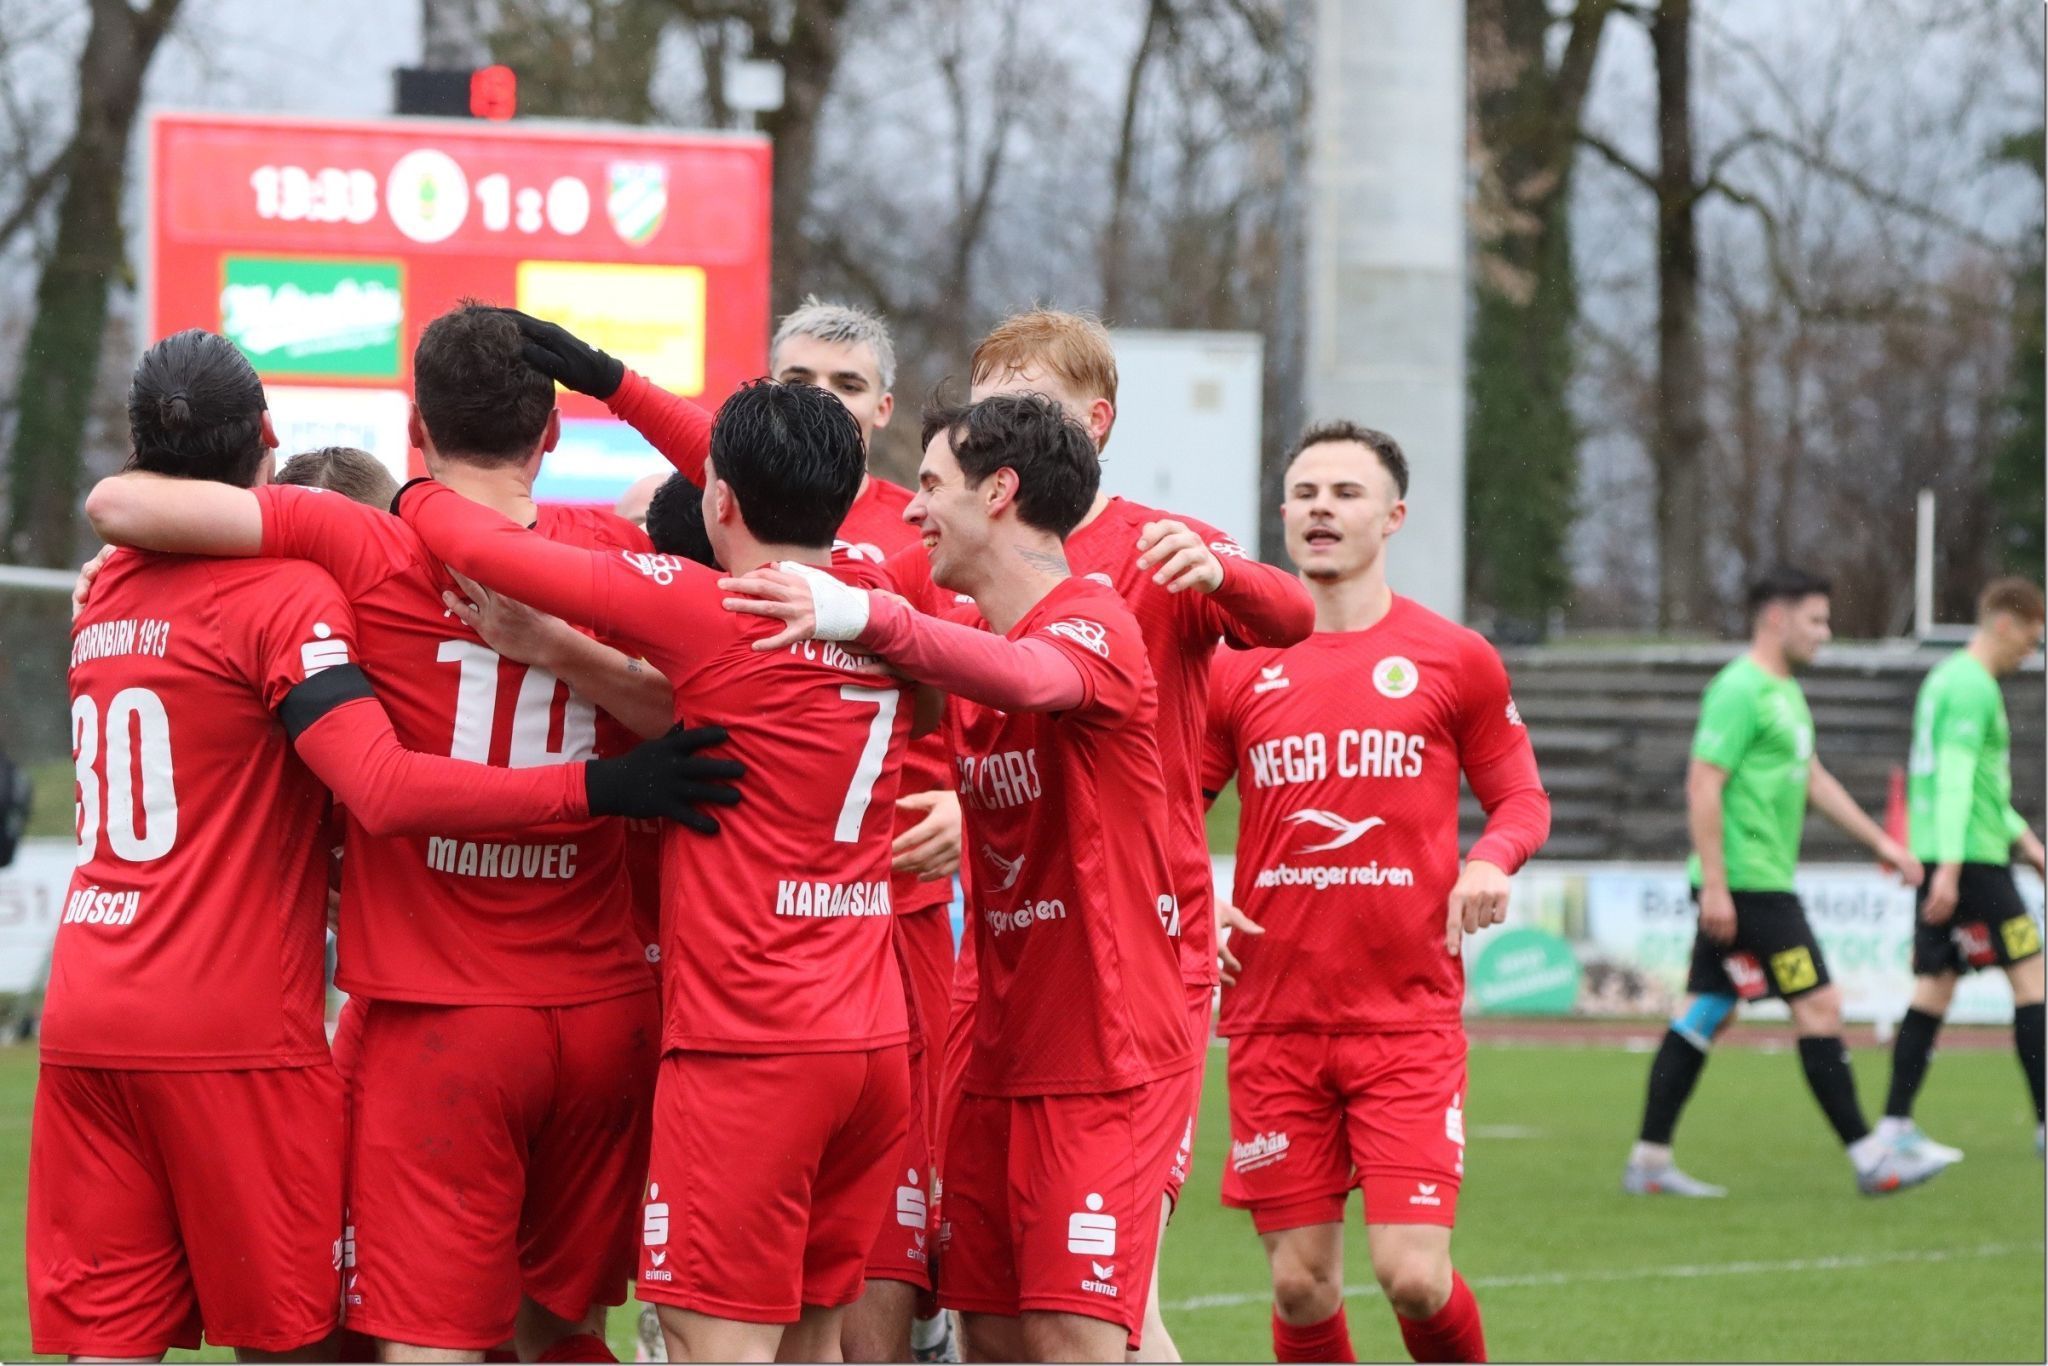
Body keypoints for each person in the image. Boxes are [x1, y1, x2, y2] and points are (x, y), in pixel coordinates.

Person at [36, 331, 729, 1363]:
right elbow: (721, 649)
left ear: (413, 432)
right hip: (601, 1008)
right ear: (548, 431)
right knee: (560, 1330)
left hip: (426, 1015)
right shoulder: (621, 555)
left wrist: (124, 554)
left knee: (395, 1337)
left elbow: (128, 508)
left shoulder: (352, 552)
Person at [393, 378, 918, 1366]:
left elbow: (483, 549)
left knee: (708, 1340)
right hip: (868, 1045)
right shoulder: (876, 601)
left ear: (718, 503)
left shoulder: (711, 607)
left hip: (752, 1051)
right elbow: (703, 713)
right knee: (809, 1346)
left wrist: (412, 482)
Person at [509, 299, 962, 1363]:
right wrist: (615, 382)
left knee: (849, 1300)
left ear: (883, 412)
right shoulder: (843, 564)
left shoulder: (903, 541)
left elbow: (983, 697)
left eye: (845, 390)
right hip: (769, 970)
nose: (820, 408)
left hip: (836, 973)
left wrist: (962, 794)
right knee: (766, 1303)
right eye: (797, 386)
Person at [719, 392, 1199, 1364]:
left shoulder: (1092, 623)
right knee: (988, 1336)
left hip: (1103, 1065)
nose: (909, 509)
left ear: (1001, 491)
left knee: (1073, 1338)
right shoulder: (976, 648)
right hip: (995, 1058)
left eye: (930, 484)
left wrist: (860, 614)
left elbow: (1031, 683)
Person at [956, 309, 1317, 1363]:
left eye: (1025, 404)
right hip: (1001, 954)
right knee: (997, 1313)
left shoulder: (1156, 546)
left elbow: (1290, 618)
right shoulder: (961, 550)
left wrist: (1227, 576)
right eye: (987, 408)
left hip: (1127, 961)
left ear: (1093, 421)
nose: (999, 429)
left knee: (1106, 1305)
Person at [1200, 421, 1549, 1365]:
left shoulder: (1453, 657)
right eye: (1305, 491)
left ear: (1393, 516)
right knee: (1300, 1286)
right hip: (1275, 1016)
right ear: (1281, 514)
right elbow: (1165, 804)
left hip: (1405, 1019)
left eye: (1346, 492)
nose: (1321, 506)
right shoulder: (1234, 665)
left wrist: (1490, 860)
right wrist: (1193, 882)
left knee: (1414, 1275)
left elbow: (1518, 795)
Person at [1623, 565, 1948, 1199]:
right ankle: (1871, 1157)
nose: (1825, 634)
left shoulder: (1786, 693)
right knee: (1819, 1005)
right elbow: (1702, 784)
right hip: (1748, 889)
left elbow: (1815, 779)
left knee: (1706, 1010)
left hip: (1756, 883)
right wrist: (1715, 885)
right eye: (1816, 620)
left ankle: (1650, 1163)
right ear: (1777, 618)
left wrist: (1885, 844)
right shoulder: (1739, 689)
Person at [1882, 576, 2047, 1155]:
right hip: (1969, 860)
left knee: (1934, 987)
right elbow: (1955, 783)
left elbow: (1976, 787)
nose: (2031, 652)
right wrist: (1953, 870)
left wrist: (2026, 842)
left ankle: (1895, 1126)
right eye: (2029, 639)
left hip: (1947, 851)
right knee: (2033, 979)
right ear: (2004, 623)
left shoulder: (1944, 679)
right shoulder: (1974, 688)